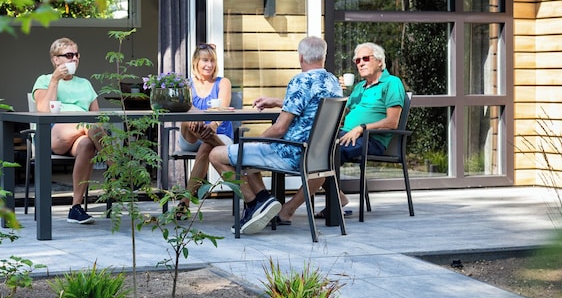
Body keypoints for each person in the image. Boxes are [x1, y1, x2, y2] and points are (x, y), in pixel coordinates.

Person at [208, 36, 342, 235]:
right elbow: (312, 105)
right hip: (318, 155)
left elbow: (279, 129)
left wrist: (254, 140)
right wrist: (279, 102)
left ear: (301, 57)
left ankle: (254, 203)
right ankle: (267, 202)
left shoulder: (300, 81)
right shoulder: (333, 82)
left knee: (216, 154)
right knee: (248, 154)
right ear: (324, 56)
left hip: (290, 153)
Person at [274, 41, 406, 223]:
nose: (360, 63)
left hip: (371, 139)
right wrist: (337, 92)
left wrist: (361, 128)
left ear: (379, 61)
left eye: (365, 59)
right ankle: (338, 197)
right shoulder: (359, 88)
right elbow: (325, 107)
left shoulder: (392, 83)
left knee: (324, 154)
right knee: (310, 143)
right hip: (346, 135)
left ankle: (290, 208)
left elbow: (392, 122)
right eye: (357, 60)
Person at [32, 37, 105, 225]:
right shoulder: (44, 80)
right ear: (56, 59)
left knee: (88, 143)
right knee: (90, 126)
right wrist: (55, 80)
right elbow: (44, 110)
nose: (74, 59)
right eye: (69, 55)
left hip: (79, 136)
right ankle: (119, 170)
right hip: (52, 132)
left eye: (77, 55)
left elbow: (97, 117)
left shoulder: (85, 83)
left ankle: (76, 208)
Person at [172, 43, 233, 219]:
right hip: (191, 137)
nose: (209, 65)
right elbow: (186, 108)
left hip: (219, 134)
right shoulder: (187, 84)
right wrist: (196, 118)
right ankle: (233, 165)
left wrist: (213, 126)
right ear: (196, 62)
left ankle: (184, 202)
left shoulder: (223, 83)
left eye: (212, 60)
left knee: (207, 145)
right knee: (189, 119)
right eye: (205, 60)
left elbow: (222, 110)